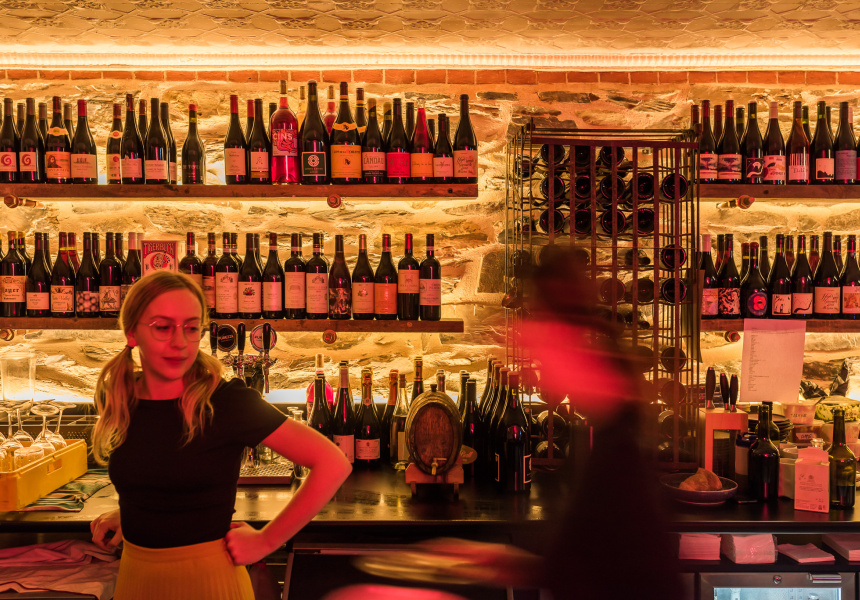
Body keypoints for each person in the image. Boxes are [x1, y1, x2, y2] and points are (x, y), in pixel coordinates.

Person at [89, 271, 352, 599]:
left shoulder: (225, 402)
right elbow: (157, 469)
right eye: (162, 327)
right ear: (131, 332)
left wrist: (267, 540)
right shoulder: (119, 397)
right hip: (136, 579)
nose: (180, 342)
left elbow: (332, 462)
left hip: (209, 581)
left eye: (191, 328)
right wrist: (132, 513)